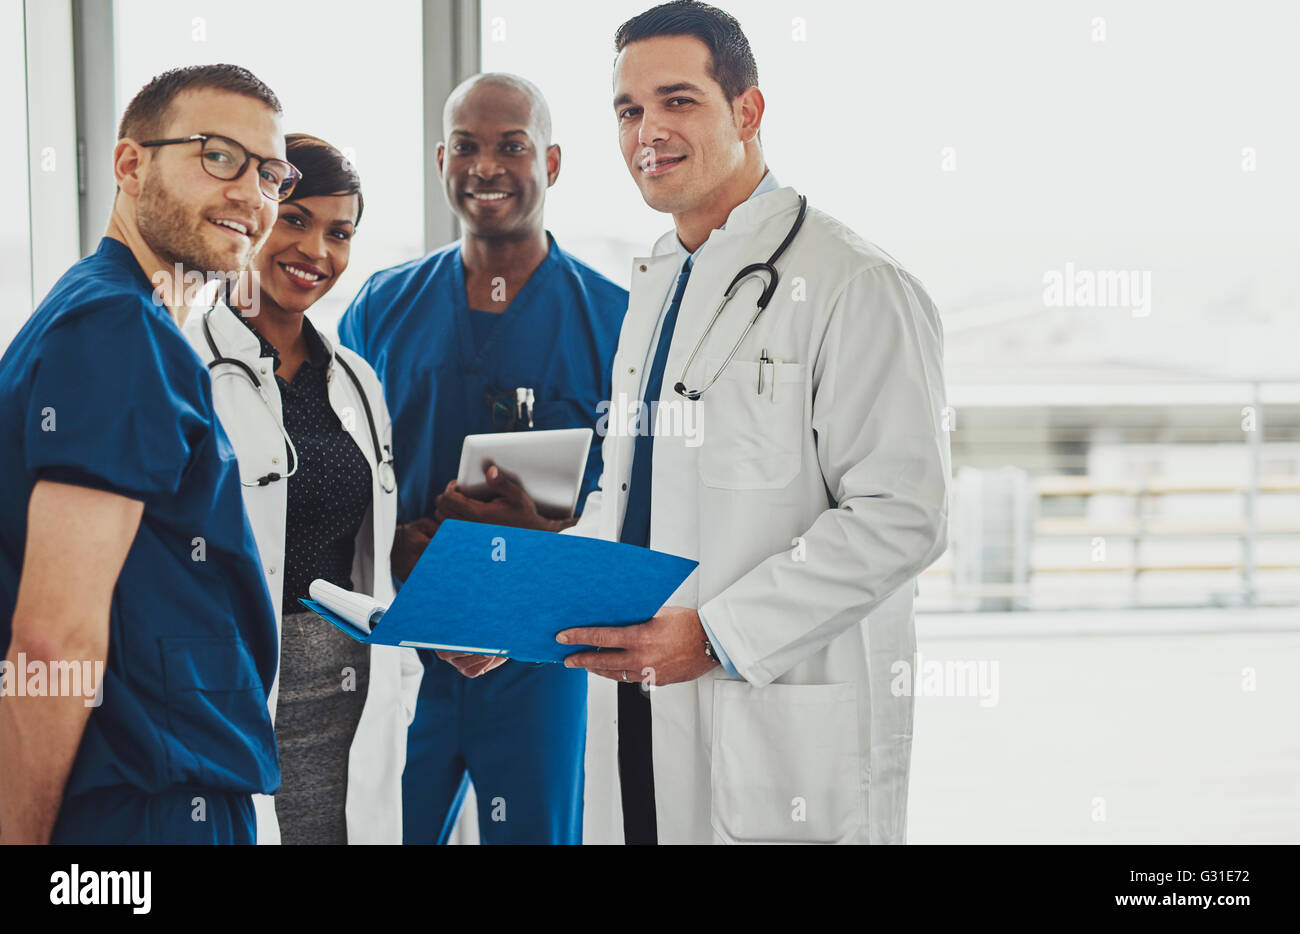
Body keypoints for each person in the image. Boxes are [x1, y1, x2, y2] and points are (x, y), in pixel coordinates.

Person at [557, 1, 951, 845]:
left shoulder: (855, 282)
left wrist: (715, 636)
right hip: (637, 712)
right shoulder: (659, 282)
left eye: (678, 100)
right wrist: (519, 608)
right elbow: (632, 496)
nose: (646, 131)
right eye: (628, 110)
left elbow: (903, 515)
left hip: (769, 719)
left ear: (748, 110)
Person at [0, 65, 291, 844]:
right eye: (218, 156)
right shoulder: (114, 328)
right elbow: (54, 638)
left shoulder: (110, 315)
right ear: (131, 165)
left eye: (270, 173)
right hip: (137, 809)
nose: (251, 196)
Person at [338, 73, 628, 845]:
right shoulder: (381, 306)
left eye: (513, 145)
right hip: (406, 644)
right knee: (382, 829)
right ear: (440, 161)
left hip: (539, 658)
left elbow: (632, 502)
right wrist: (399, 546)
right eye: (465, 146)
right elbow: (348, 475)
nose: (486, 166)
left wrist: (530, 580)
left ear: (553, 162)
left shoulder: (614, 321)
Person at [182, 134, 423, 844]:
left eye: (339, 233)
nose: (317, 250)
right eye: (296, 219)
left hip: (353, 701)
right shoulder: (185, 365)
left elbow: (370, 554)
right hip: (233, 695)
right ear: (252, 217)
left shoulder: (356, 380)